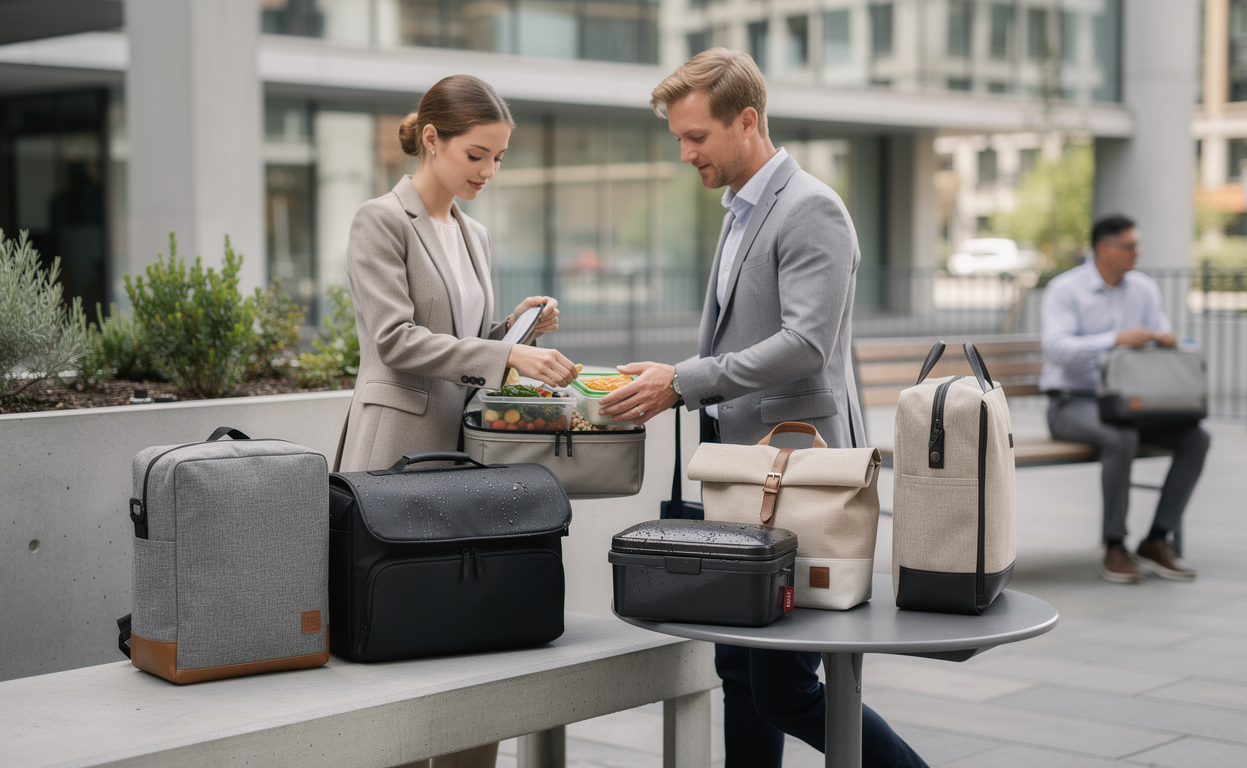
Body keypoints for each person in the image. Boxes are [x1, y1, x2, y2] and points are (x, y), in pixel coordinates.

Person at [597, 48, 927, 768]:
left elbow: (805, 345)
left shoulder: (811, 208)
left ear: (747, 121)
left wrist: (682, 381)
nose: (685, 153)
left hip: (797, 476)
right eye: (678, 138)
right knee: (739, 675)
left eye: (696, 137)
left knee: (785, 687)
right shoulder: (742, 209)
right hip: (744, 475)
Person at [334, 75, 577, 768]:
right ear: (432, 139)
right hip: (397, 446)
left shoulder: (474, 233)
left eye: (499, 158)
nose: (489, 172)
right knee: (405, 630)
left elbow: (465, 342)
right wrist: (506, 353)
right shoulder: (379, 220)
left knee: (469, 628)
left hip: (463, 454)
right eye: (477, 155)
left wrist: (514, 332)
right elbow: (396, 341)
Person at [1039, 213, 1210, 584]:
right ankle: (1115, 546)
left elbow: (1159, 329)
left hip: (1133, 403)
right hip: (1072, 403)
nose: (1138, 253)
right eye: (1131, 246)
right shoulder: (1065, 290)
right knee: (1121, 438)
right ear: (1105, 250)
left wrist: (1165, 339)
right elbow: (1055, 349)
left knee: (1196, 438)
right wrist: (1113, 339)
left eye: (1137, 246)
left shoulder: (1143, 288)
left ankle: (1156, 540)